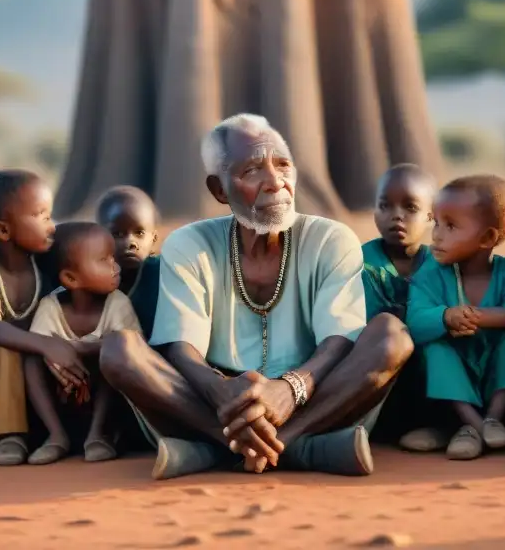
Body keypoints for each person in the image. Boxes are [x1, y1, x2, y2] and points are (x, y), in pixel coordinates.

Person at [99, 114, 413, 480]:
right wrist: (223, 392)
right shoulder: (189, 243)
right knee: (119, 349)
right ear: (219, 190)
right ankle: (296, 450)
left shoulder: (331, 239)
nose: (275, 183)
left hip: (315, 394)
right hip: (214, 400)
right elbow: (181, 348)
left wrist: (291, 388)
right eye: (251, 171)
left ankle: (239, 447)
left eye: (283, 165)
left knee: (392, 337)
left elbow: (338, 341)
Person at [403, 175, 505, 460]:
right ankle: (474, 424)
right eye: (436, 222)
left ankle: (493, 418)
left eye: (451, 226)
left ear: (488, 238)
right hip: (453, 375)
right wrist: (445, 317)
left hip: (495, 374)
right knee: (437, 350)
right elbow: (415, 320)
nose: (437, 235)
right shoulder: (430, 275)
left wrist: (478, 317)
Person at [0, 170, 88, 466]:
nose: (52, 226)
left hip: (38, 384)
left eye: (50, 215)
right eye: (40, 216)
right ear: (4, 231)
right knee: (3, 348)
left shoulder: (49, 266)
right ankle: (8, 435)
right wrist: (44, 344)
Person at [24, 222, 142, 464]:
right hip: (63, 397)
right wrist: (56, 359)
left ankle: (99, 435)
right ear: (70, 278)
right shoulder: (51, 307)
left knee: (112, 351)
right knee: (32, 360)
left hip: (104, 400)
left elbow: (136, 348)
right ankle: (56, 435)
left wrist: (82, 349)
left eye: (113, 257)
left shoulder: (117, 303)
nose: (116, 266)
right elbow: (41, 344)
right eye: (104, 260)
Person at [361, 164, 437, 449]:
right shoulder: (361, 263)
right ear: (375, 212)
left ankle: (439, 426)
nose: (396, 215)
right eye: (385, 205)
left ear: (432, 216)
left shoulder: (440, 265)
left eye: (410, 207)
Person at [96, 186, 161, 341]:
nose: (131, 242)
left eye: (139, 233)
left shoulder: (161, 275)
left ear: (153, 239)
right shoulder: (92, 277)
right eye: (117, 234)